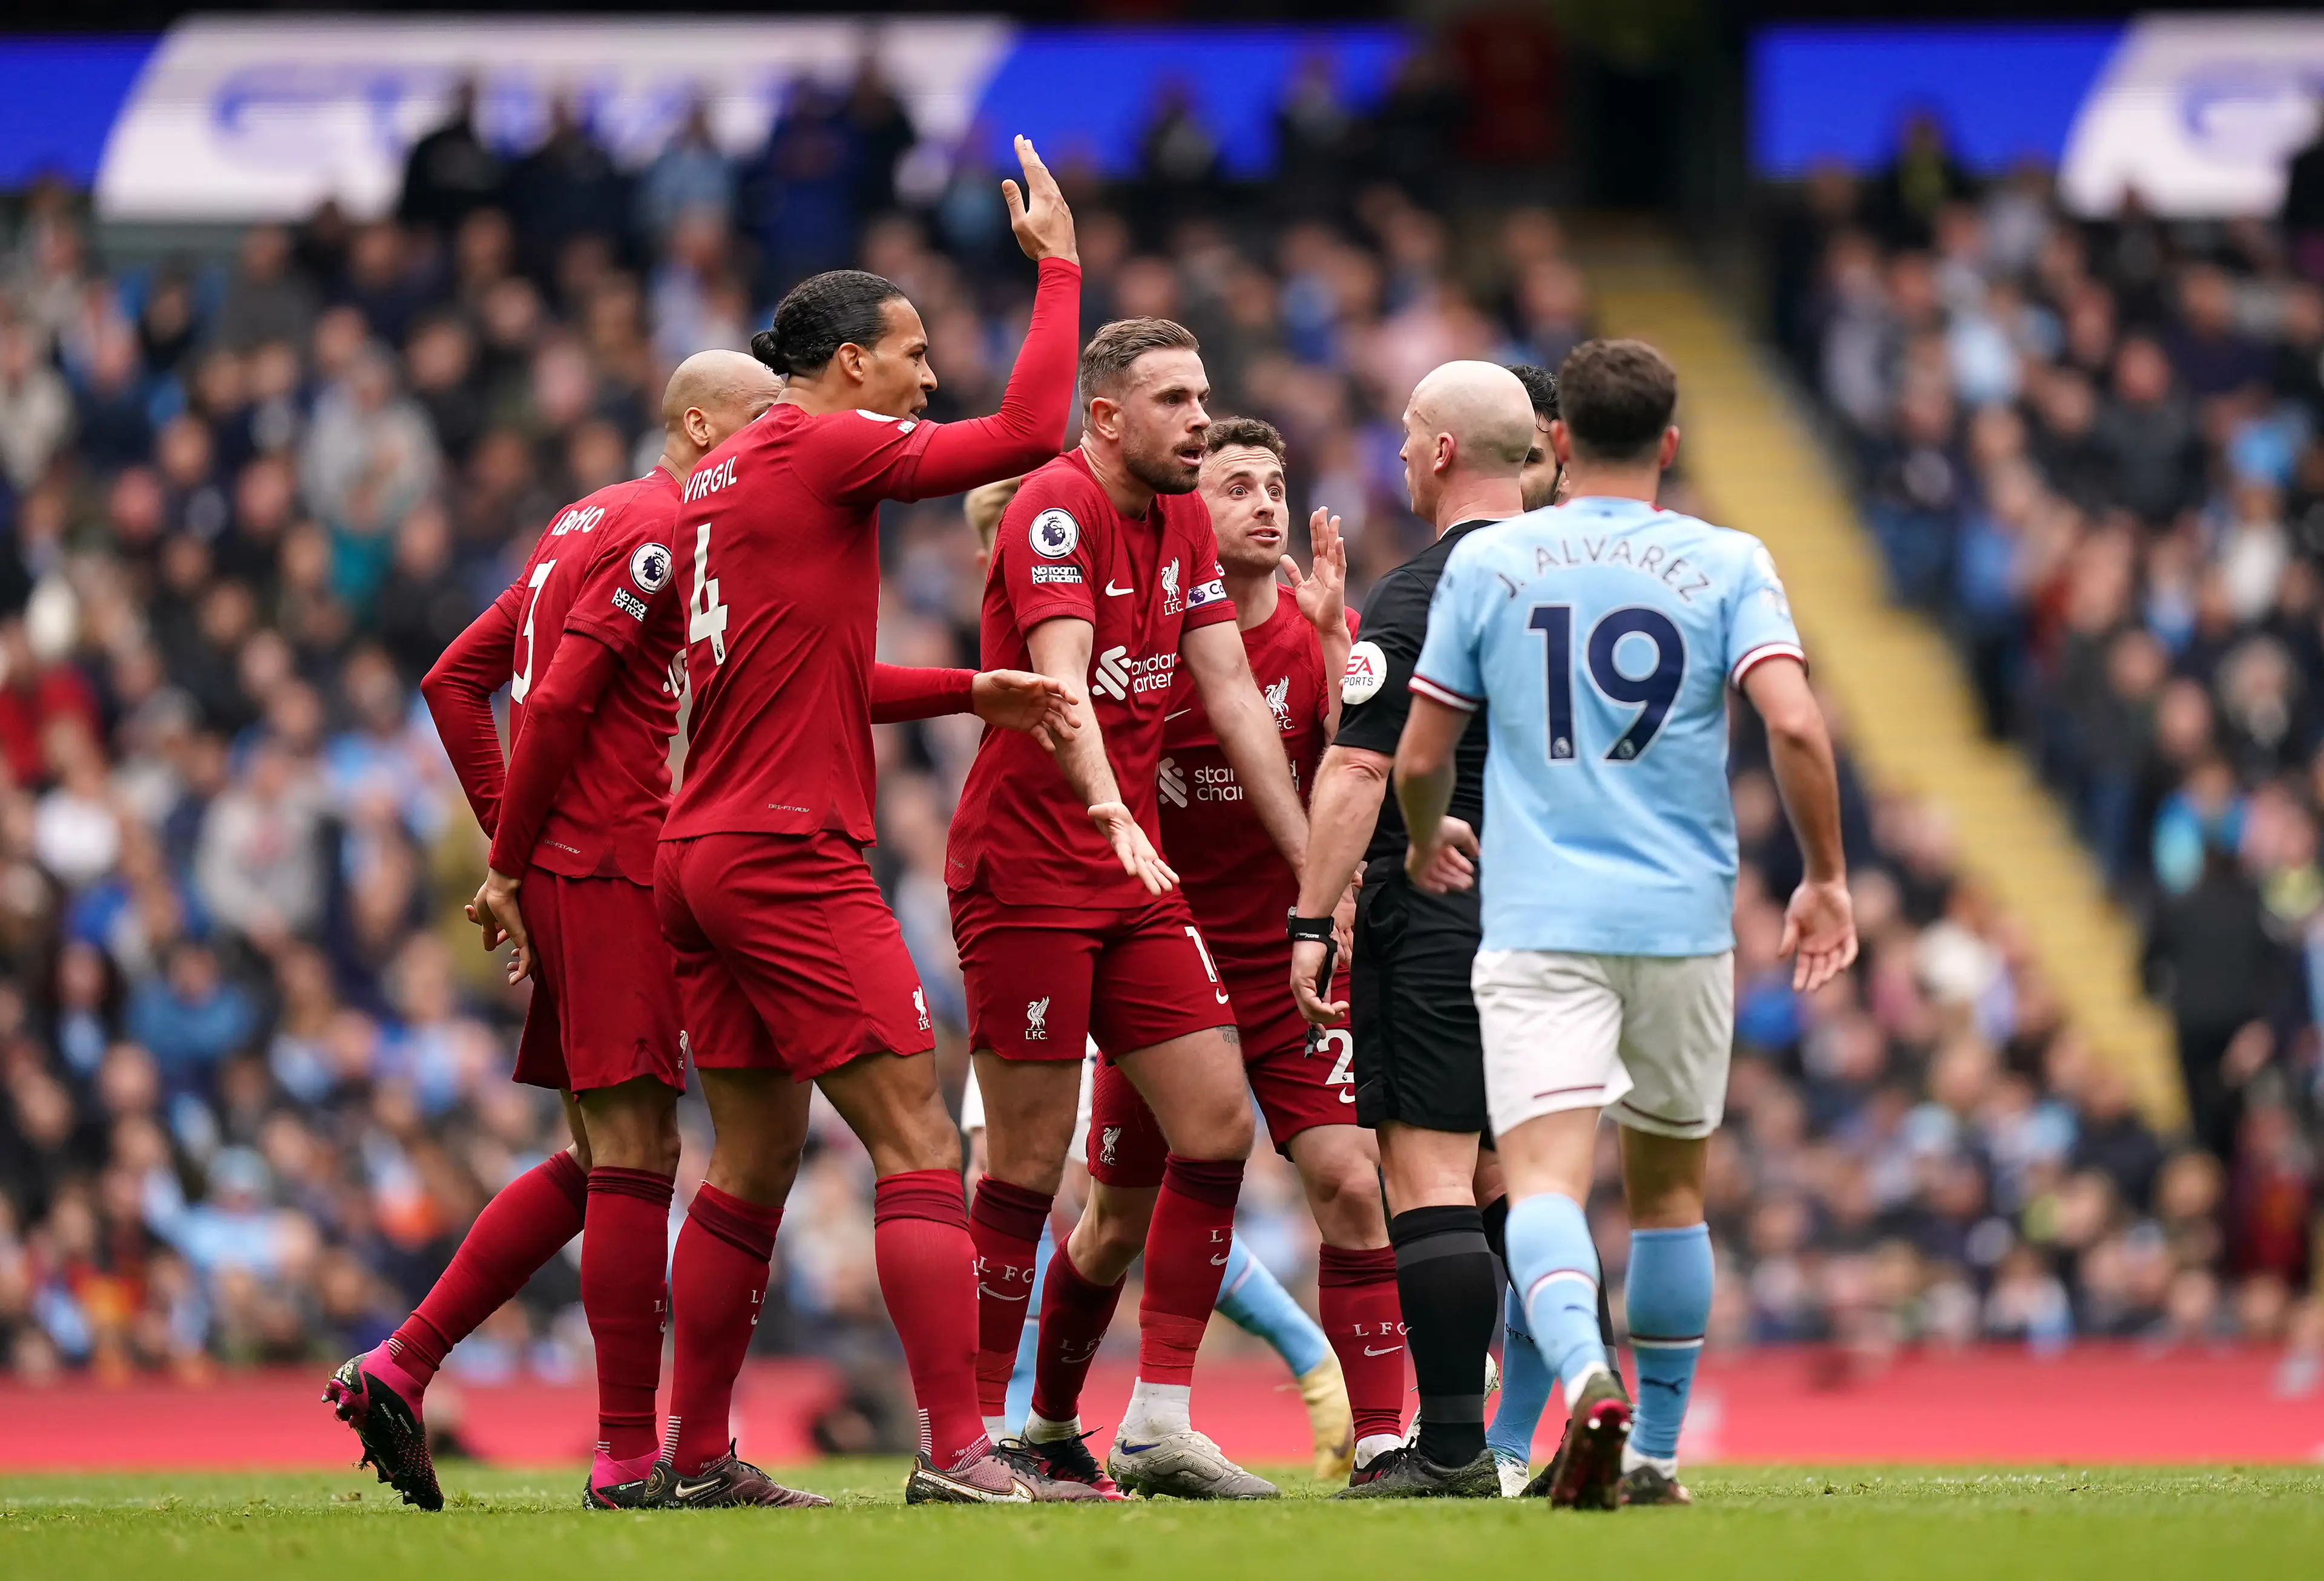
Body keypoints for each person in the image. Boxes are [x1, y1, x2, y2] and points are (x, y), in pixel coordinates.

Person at [329, 350, 1065, 1511]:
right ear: (696, 419)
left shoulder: (588, 521)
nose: (779, 430)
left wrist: (518, 844)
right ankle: (631, 1461)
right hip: (621, 857)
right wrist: (512, 861)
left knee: (609, 1154)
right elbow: (558, 700)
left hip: (612, 859)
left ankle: (407, 1364)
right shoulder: (675, 528)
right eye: (760, 412)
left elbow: (459, 679)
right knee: (638, 1159)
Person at [652, 136, 1094, 1507]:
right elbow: (1027, 437)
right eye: (909, 355)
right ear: (849, 364)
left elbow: (809, 670)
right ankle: (961, 1450)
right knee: (914, 1131)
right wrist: (1062, 272)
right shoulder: (822, 441)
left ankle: (688, 1457)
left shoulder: (716, 487)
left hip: (697, 849)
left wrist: (971, 688)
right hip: (788, 845)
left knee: (755, 1159)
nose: (926, 376)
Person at [1394, 336, 1856, 1508]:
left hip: (1542, 920)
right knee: (1669, 1197)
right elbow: (1797, 727)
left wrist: (1425, 829)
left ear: (1555, 443)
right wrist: (1825, 878)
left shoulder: (1491, 566)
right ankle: (1652, 1449)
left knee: (1544, 1182)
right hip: (1682, 921)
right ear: (1671, 444)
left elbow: (1420, 752)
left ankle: (1582, 1372)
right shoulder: (1727, 559)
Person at [947, 318, 1310, 1500]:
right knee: (1029, 1161)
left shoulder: (1186, 521)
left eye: (1203, 394)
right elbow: (1059, 685)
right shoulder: (1056, 509)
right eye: (1173, 400)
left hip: (1128, 874)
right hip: (1034, 867)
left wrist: (1314, 874)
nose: (1199, 418)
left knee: (1215, 1121)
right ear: (1105, 414)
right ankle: (970, 1445)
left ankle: (1156, 1421)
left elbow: (1236, 699)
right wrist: (1109, 812)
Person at [1020, 416, 1389, 1487]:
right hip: (1171, 962)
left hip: (1295, 963)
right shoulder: (1145, 644)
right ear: (1190, 511)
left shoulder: (1331, 631)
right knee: (1109, 1225)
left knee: (1350, 1183)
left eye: (1277, 484)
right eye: (1237, 487)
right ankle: (1050, 1429)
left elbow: (1352, 788)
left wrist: (1328, 643)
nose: (1268, 504)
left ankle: (1379, 1444)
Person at [1288, 360, 1537, 1498]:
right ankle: (1582, 1405)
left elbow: (1356, 768)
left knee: (1427, 1173)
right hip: (1576, 916)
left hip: (1448, 899)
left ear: (1443, 453)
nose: (1397, 452)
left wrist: (1310, 918)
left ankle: (1448, 1450)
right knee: (1519, 1178)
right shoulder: (1589, 580)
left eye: (1407, 435)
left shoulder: (1429, 590)